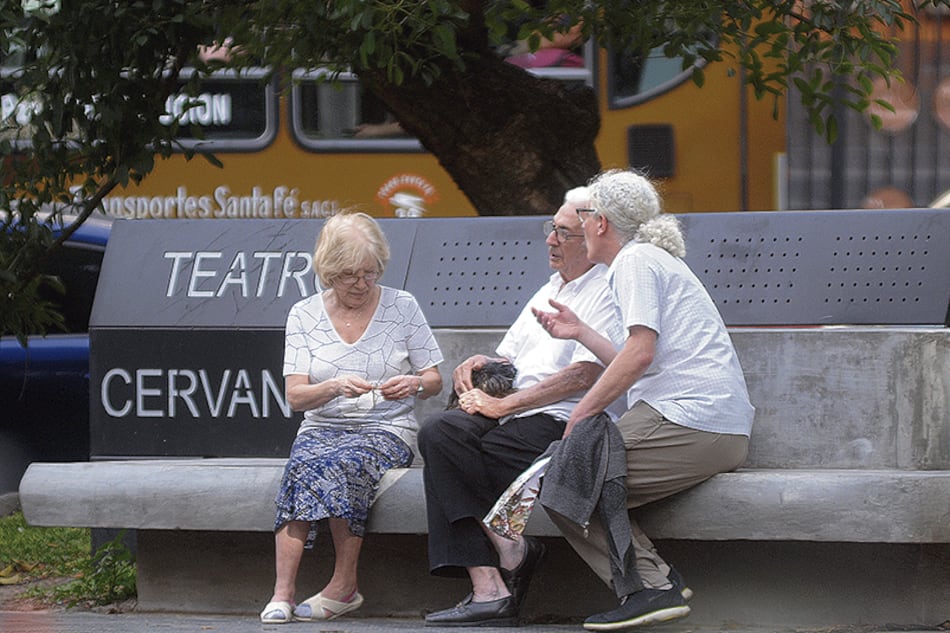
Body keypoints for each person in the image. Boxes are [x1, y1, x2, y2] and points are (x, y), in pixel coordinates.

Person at [532, 169, 754, 630]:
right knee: (572, 476)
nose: (575, 226)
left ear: (600, 222)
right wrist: (582, 332)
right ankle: (658, 581)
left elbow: (640, 353)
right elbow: (638, 356)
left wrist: (584, 409)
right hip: (706, 424)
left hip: (688, 420)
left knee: (567, 478)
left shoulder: (635, 262)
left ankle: (651, 588)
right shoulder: (645, 260)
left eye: (583, 215)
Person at [419, 187, 626, 627]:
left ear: (591, 237)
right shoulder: (549, 287)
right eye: (550, 228)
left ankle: (490, 585)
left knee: (460, 462)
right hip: (514, 413)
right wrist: (482, 363)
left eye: (564, 233)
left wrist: (503, 405)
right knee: (440, 434)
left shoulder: (607, 288)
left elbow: (585, 375)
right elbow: (511, 360)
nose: (550, 239)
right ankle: (505, 556)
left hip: (562, 420)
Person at [259, 211, 444, 624]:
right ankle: (282, 592)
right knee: (304, 463)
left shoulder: (402, 306)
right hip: (323, 425)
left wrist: (412, 384)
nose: (361, 284)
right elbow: (295, 397)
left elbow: (434, 380)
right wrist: (334, 387)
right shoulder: (304, 314)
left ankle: (344, 586)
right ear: (328, 272)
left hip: (386, 427)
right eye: (349, 276)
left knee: (346, 462)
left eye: (370, 273)